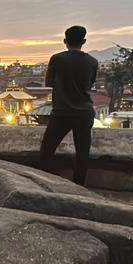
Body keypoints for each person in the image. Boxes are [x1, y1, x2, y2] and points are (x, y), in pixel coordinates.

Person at [40, 25, 99, 186]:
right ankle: (79, 187)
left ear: (65, 40)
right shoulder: (92, 62)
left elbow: (48, 82)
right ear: (84, 41)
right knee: (82, 154)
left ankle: (47, 182)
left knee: (46, 151)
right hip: (84, 112)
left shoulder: (57, 59)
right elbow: (90, 83)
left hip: (62, 112)